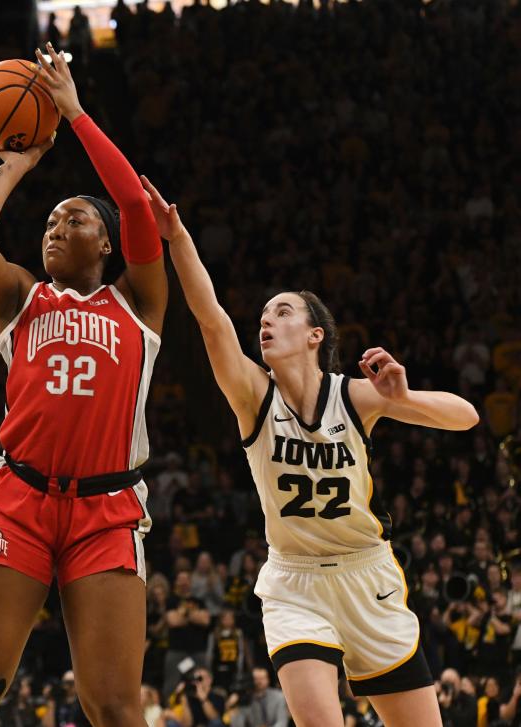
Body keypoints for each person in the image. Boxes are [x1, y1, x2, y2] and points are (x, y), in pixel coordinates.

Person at [139, 176, 479, 727]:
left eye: (281, 312)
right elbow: (210, 317)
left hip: (367, 574)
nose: (265, 321)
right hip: (295, 582)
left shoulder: (355, 395)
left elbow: (467, 416)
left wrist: (405, 397)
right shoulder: (252, 395)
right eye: (264, 316)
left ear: (315, 334)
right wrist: (177, 238)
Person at [0, 42, 166, 727]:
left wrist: (75, 115)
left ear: (108, 243)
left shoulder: (138, 302)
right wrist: (13, 167)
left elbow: (134, 200)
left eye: (76, 218)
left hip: (106, 510)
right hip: (21, 500)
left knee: (117, 708)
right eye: (49, 220)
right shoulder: (20, 298)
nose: (57, 226)